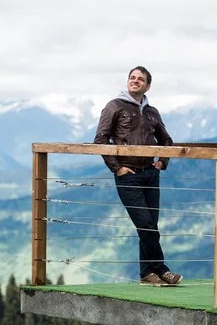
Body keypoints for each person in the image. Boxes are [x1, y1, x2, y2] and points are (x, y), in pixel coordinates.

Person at [93, 66, 182, 286]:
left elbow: (167, 142)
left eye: (140, 79)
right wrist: (117, 168)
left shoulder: (152, 112)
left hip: (151, 174)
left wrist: (163, 161)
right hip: (128, 175)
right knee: (145, 223)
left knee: (150, 224)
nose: (135, 81)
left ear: (147, 86)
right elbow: (101, 140)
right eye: (132, 78)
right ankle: (161, 269)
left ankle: (147, 273)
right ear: (127, 82)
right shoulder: (114, 106)